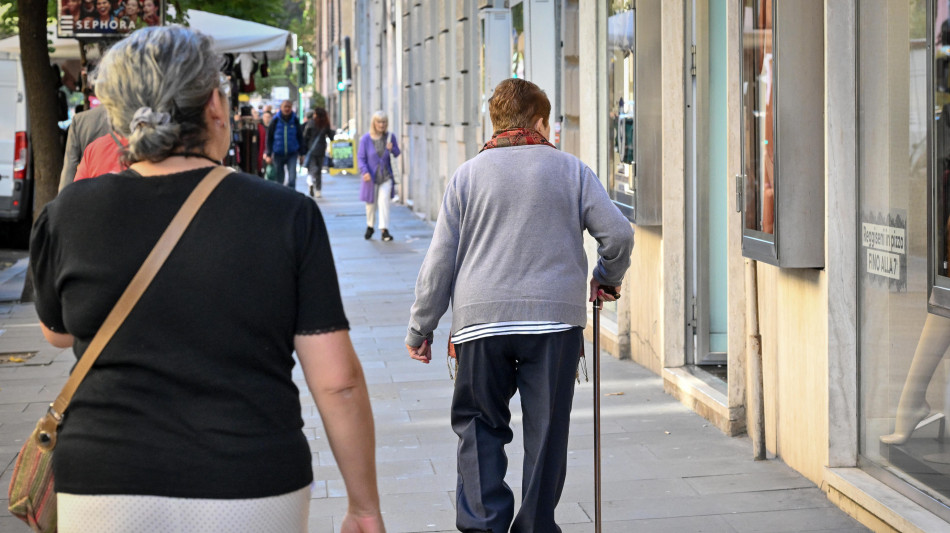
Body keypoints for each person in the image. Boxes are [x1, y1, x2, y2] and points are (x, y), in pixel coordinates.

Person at [30, 26, 385, 533]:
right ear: (215, 106)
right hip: (252, 481)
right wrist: (364, 506)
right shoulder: (285, 214)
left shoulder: (69, 212)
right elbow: (339, 382)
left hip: (103, 480)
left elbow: (57, 331)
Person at [405, 78, 634, 533]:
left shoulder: (466, 177)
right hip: (552, 322)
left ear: (495, 121)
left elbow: (439, 261)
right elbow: (619, 234)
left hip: (479, 323)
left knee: (477, 427)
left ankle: (484, 525)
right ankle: (534, 526)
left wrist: (421, 327)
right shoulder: (571, 170)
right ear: (541, 120)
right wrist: (605, 280)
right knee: (546, 433)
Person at [357, 111, 400, 241]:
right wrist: (364, 172)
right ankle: (370, 226)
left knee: (384, 202)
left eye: (384, 122)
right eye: (379, 122)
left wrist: (392, 148)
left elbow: (397, 152)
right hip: (370, 177)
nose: (382, 125)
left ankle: (384, 230)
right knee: (370, 204)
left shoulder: (390, 137)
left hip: (386, 176)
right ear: (374, 123)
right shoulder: (365, 139)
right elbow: (361, 158)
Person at [60, 103, 112, 190]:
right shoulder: (132, 118)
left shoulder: (80, 120)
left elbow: (70, 165)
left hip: (88, 188)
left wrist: (62, 199)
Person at [265, 100, 304, 189]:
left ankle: (291, 197)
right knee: (279, 180)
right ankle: (281, 198)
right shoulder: (275, 120)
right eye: (285, 107)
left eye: (289, 107)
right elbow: (269, 138)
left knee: (292, 178)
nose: (287, 109)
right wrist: (268, 154)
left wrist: (302, 154)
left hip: (292, 153)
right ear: (281, 108)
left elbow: (300, 137)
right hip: (278, 153)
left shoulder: (295, 120)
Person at [303, 107, 334, 198]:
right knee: (318, 171)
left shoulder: (311, 123)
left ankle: (310, 181)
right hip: (321, 150)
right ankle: (318, 190)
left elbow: (305, 136)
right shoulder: (325, 124)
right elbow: (331, 136)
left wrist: (304, 149)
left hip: (311, 149)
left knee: (313, 169)